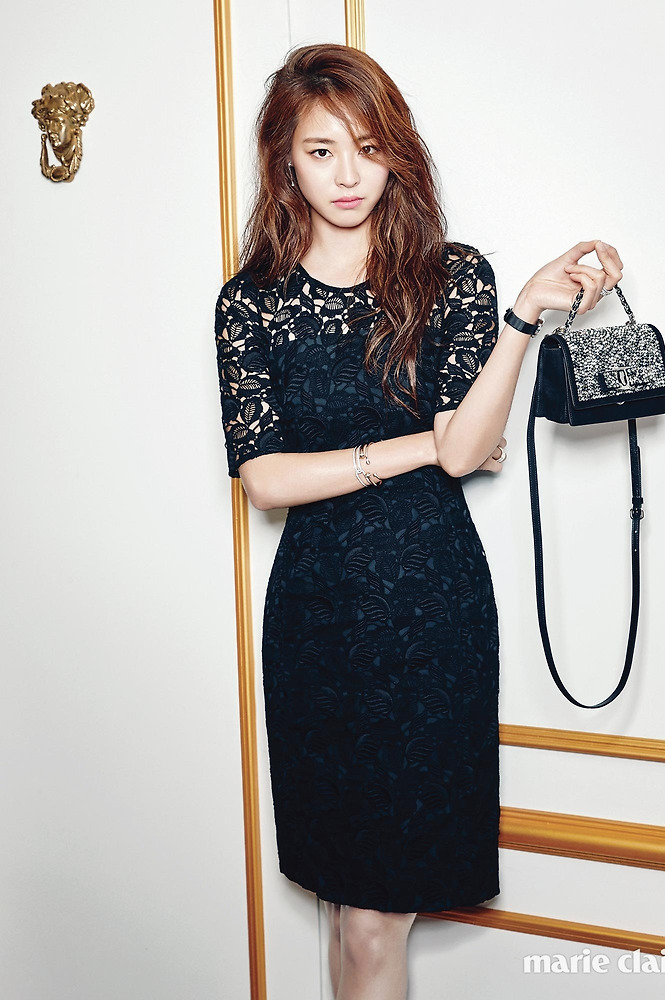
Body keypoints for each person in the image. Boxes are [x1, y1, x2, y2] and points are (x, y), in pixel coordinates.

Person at [214, 42, 623, 1000]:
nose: (347, 175)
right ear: (284, 161)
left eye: (367, 147)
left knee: (373, 919)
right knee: (341, 903)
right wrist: (413, 447)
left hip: (429, 612)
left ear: (396, 152)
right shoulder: (250, 303)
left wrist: (522, 318)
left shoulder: (453, 276)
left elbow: (470, 443)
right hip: (317, 620)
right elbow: (265, 480)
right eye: (321, 151)